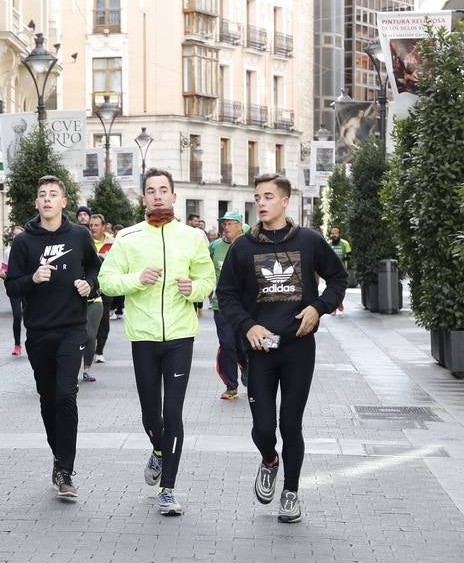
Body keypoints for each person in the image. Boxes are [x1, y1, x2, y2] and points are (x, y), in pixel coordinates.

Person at [216, 176, 347, 524]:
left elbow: (338, 278)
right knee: (262, 427)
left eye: (269, 196)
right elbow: (225, 295)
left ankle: (291, 492)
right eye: (257, 196)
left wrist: (319, 308)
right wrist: (248, 326)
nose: (261, 202)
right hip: (260, 349)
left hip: (298, 348)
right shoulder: (242, 247)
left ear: (286, 201)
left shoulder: (309, 241)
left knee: (291, 422)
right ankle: (270, 461)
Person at [99, 170, 215, 516]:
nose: (158, 196)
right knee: (152, 414)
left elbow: (207, 278)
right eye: (152, 191)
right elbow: (106, 281)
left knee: (173, 413)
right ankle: (159, 450)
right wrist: (137, 279)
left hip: (180, 335)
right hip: (144, 337)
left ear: (174, 196)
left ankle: (168, 489)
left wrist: (192, 290)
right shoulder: (128, 237)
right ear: (143, 198)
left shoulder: (192, 237)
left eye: (164, 190)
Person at [5, 177, 100, 500]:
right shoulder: (23, 243)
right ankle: (58, 458)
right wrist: (32, 278)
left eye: (53, 194)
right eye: (42, 195)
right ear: (36, 203)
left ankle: (65, 469)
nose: (47, 199)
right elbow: (12, 286)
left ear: (64, 202)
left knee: (65, 394)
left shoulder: (79, 235)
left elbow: (94, 268)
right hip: (39, 332)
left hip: (72, 328)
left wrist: (90, 285)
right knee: (48, 398)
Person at [209, 211, 248, 400]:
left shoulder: (249, 244)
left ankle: (246, 366)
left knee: (242, 345)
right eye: (224, 223)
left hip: (245, 306)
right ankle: (231, 385)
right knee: (227, 344)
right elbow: (205, 271)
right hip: (221, 305)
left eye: (231, 223)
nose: (226, 227)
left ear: (240, 225)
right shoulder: (215, 246)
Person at [79, 213, 108, 381]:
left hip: (94, 301)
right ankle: (72, 368)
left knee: (90, 335)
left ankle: (86, 369)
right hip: (74, 303)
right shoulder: (70, 256)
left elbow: (101, 276)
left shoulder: (96, 258)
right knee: (76, 336)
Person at [91, 215, 118, 364]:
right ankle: (88, 348)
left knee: (103, 321)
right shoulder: (85, 241)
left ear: (103, 227)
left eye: (96, 225)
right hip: (88, 287)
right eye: (91, 225)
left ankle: (99, 351)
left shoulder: (112, 243)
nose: (93, 228)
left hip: (105, 287)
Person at [2, 226, 24, 356]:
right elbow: (3, 268)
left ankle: (32, 341)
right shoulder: (8, 251)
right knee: (17, 315)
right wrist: (3, 273)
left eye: (19, 234)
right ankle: (17, 345)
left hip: (28, 287)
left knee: (30, 316)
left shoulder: (28, 249)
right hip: (15, 286)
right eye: (14, 235)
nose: (16, 237)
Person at [327, 227, 353, 312]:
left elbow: (349, 255)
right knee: (331, 288)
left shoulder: (344, 243)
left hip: (342, 270)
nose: (334, 235)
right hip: (331, 270)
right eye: (333, 234)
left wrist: (344, 261)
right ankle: (334, 307)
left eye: (336, 233)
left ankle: (339, 301)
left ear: (339, 234)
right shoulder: (329, 243)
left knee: (342, 288)